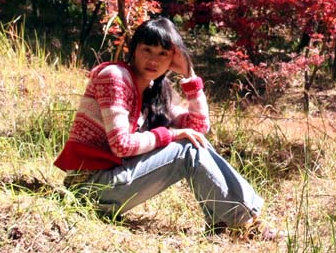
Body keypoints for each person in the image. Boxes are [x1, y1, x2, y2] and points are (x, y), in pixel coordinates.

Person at [54, 17, 281, 240]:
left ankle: (226, 222)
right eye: (147, 50)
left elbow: (199, 126)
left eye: (163, 53)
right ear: (133, 50)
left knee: (193, 142)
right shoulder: (115, 77)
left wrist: (189, 75)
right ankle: (242, 223)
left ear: (173, 58)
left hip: (110, 185)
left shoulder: (155, 90)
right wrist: (171, 134)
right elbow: (121, 144)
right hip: (88, 189)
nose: (154, 60)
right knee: (185, 149)